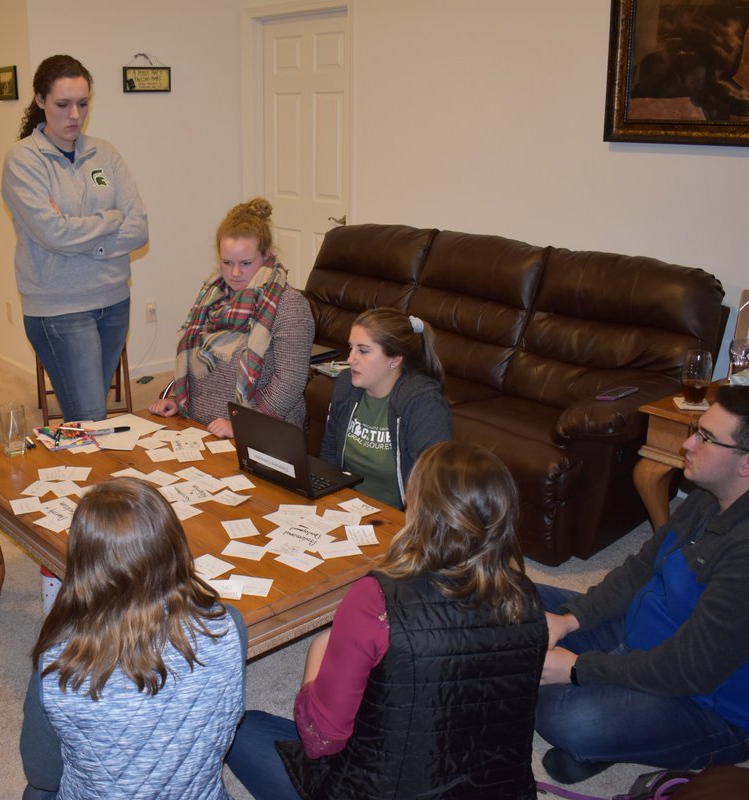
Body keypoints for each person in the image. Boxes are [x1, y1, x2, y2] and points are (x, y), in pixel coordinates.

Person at [536, 384, 749, 784]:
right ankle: (604, 725)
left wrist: (577, 668)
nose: (688, 443)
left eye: (706, 438)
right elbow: (642, 566)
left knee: (572, 718)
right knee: (512, 596)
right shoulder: (713, 491)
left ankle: (608, 731)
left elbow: (691, 669)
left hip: (711, 705)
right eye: (697, 428)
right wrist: (570, 621)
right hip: (643, 633)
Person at [226, 441, 548, 799]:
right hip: (497, 791)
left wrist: (318, 654)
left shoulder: (374, 600)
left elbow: (321, 740)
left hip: (376, 789)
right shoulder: (527, 600)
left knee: (240, 727)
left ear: (418, 510)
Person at [20, 478, 246, 799]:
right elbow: (229, 719)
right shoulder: (228, 626)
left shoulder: (58, 661)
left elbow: (42, 772)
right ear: (175, 544)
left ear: (84, 563)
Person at [2, 54, 148, 422]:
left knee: (87, 416)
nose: (75, 116)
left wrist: (87, 235)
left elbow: (139, 227)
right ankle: (91, 481)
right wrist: (110, 219)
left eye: (83, 104)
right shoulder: (24, 160)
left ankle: (83, 477)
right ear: (40, 101)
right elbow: (54, 234)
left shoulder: (105, 154)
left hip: (114, 300)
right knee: (89, 417)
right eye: (63, 104)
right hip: (59, 308)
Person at [149, 197, 313, 438]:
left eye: (246, 263)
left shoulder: (290, 306)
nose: (235, 273)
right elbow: (193, 356)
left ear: (267, 255)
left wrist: (243, 425)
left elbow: (290, 383)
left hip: (261, 433)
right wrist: (176, 398)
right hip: (198, 427)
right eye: (227, 263)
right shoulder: (211, 295)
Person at [319, 307, 452, 508]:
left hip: (398, 520)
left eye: (363, 350)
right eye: (351, 347)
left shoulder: (424, 405)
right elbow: (329, 452)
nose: (350, 359)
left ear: (395, 359)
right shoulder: (346, 385)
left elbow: (432, 487)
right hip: (345, 507)